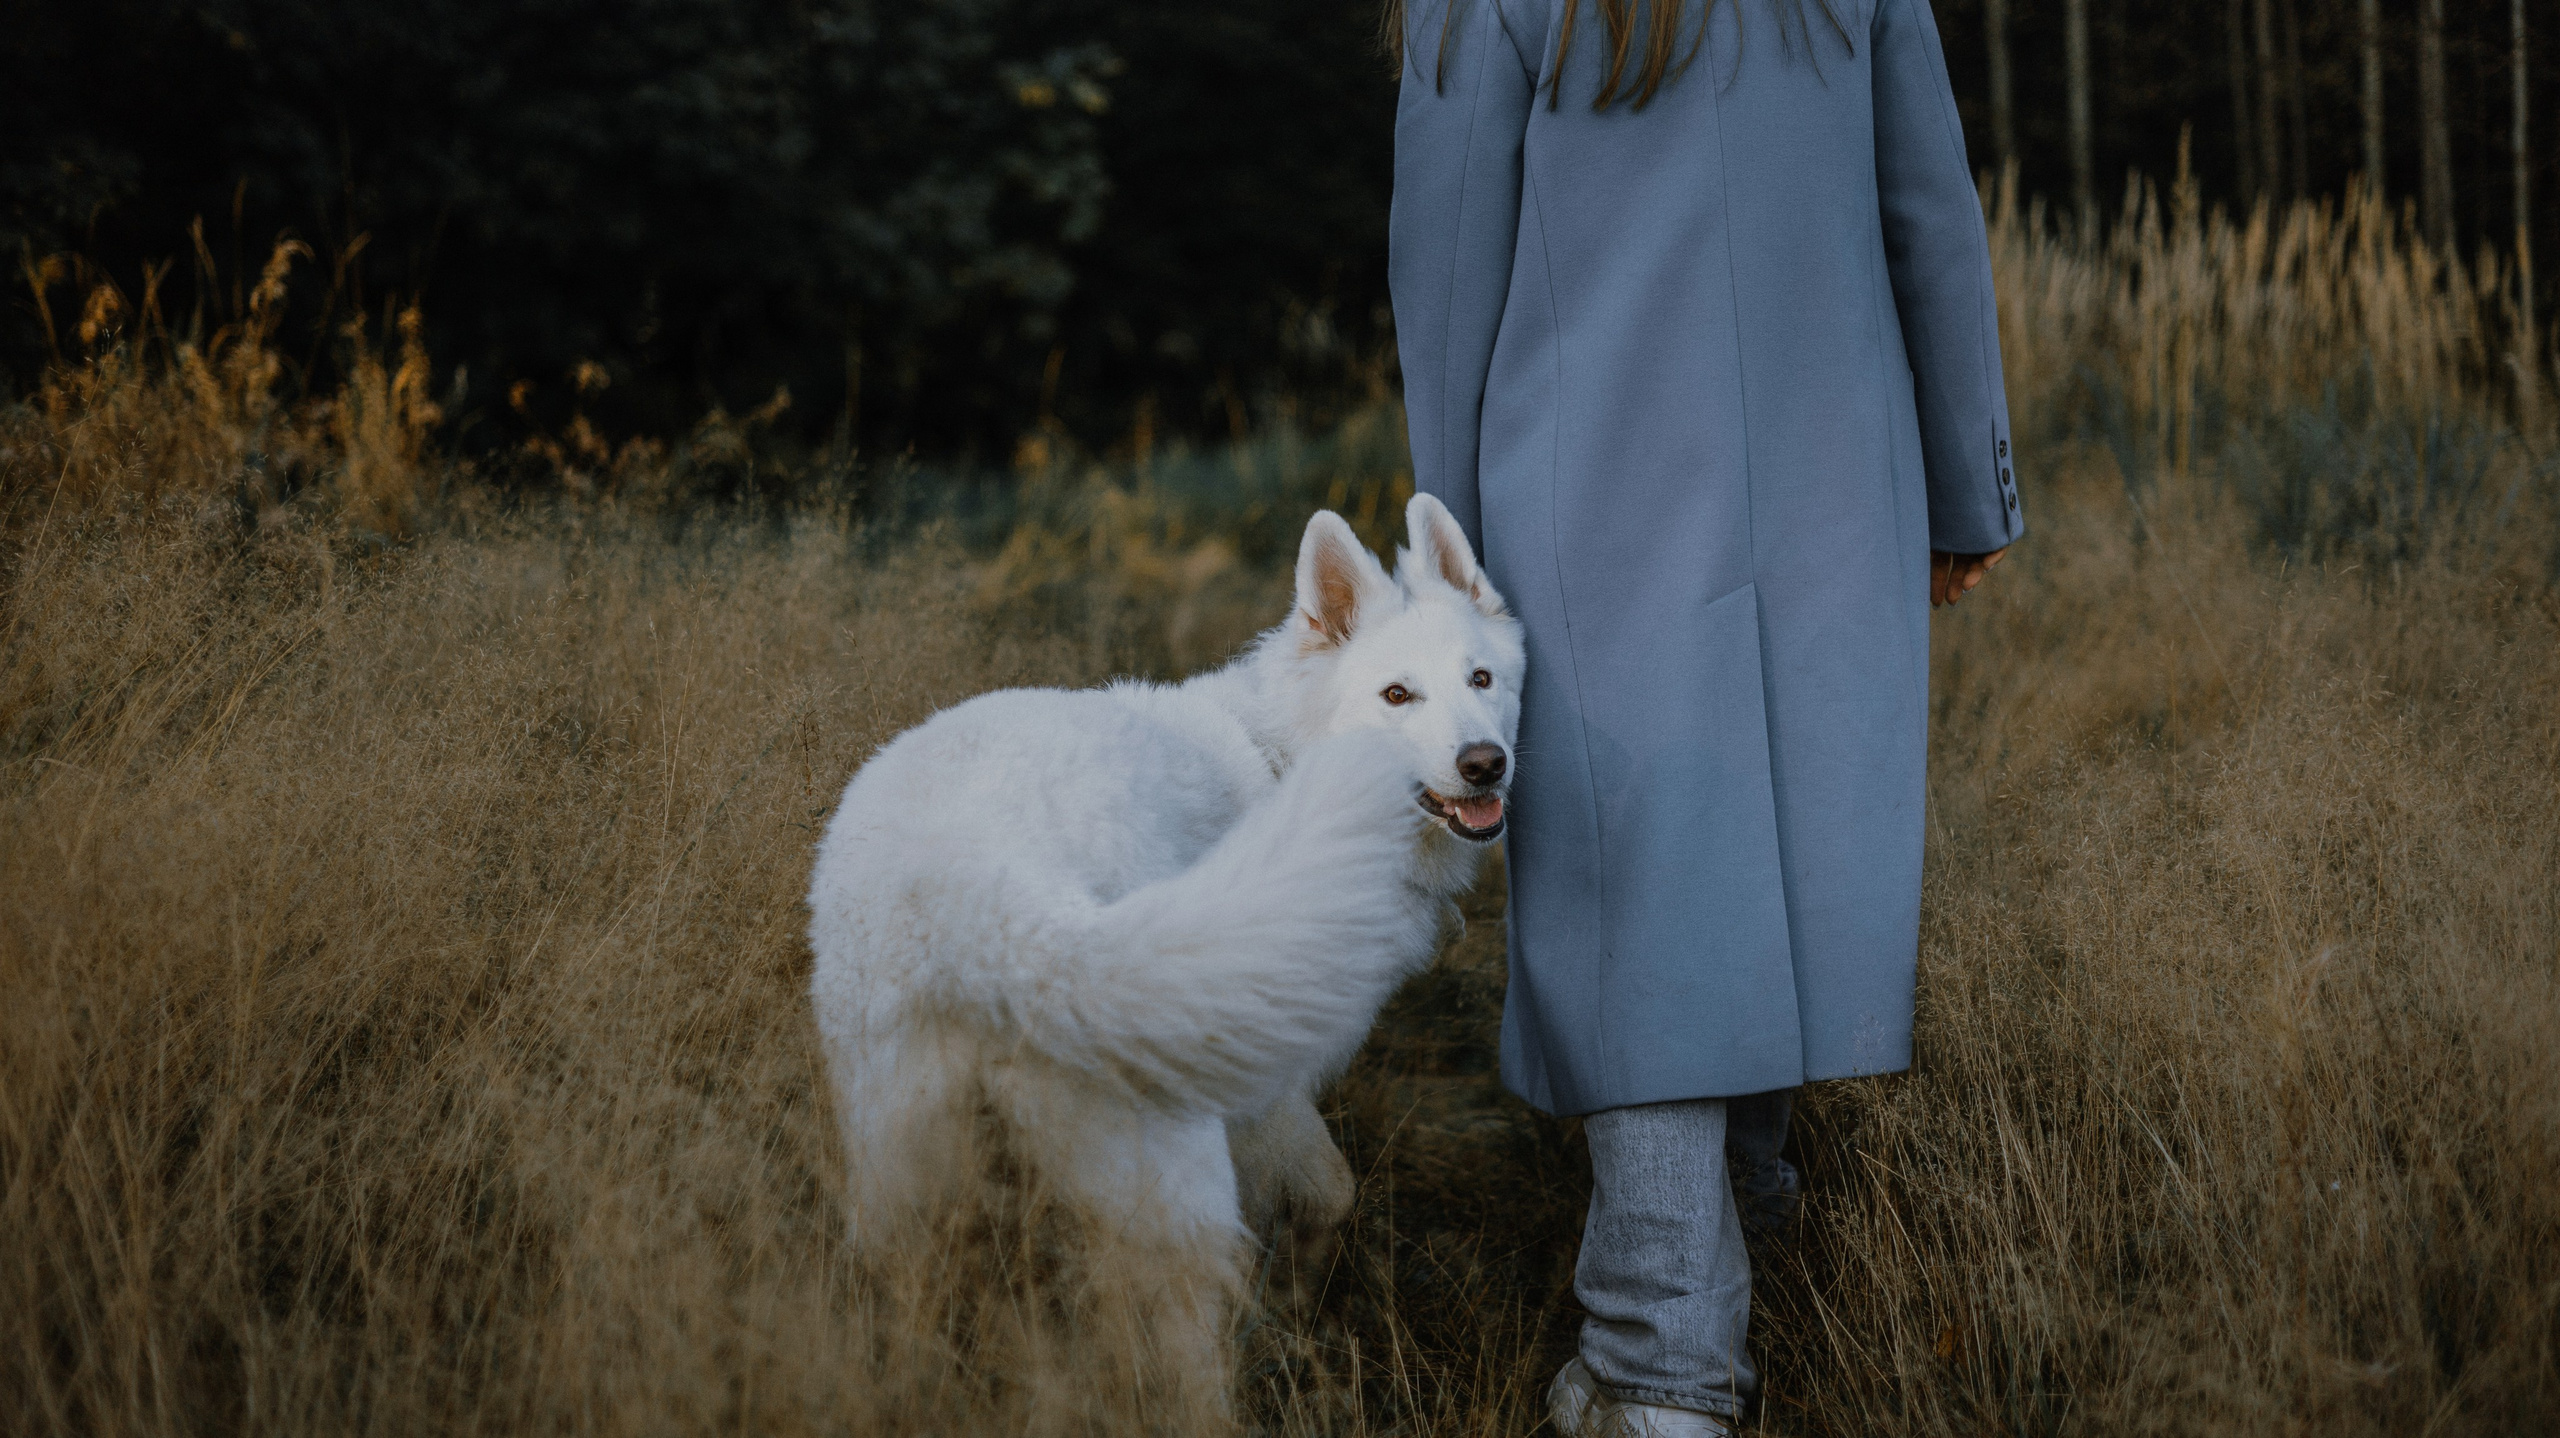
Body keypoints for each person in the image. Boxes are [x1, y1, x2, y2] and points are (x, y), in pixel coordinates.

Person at [1386, 0, 2018, 1431]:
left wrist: (1448, 574)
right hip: (1836, 480)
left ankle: (1663, 1358)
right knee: (1765, 860)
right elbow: (1930, 213)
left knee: (1644, 904)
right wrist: (1966, 482)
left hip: (1589, 490)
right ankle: (1757, 1248)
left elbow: (1448, 280)